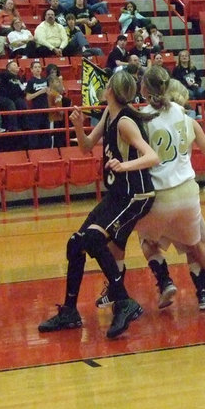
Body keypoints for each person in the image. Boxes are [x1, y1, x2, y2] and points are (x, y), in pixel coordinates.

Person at [37, 71, 159, 339]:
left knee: (93, 239)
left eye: (106, 86)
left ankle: (123, 302)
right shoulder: (108, 115)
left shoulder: (126, 121)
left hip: (136, 195)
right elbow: (85, 147)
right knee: (76, 243)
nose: (103, 89)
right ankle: (69, 311)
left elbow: (153, 157)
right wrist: (79, 125)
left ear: (112, 91)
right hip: (117, 194)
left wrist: (124, 164)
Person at [134, 68, 205, 309]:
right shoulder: (186, 117)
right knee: (197, 245)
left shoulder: (141, 120)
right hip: (187, 192)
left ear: (144, 89)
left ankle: (165, 283)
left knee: (146, 241)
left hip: (159, 195)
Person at [0, 60, 28, 132]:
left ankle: (25, 126)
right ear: (9, 69)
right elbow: (2, 75)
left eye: (17, 65)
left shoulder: (19, 79)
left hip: (14, 98)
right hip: (3, 97)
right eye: (14, 65)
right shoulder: (5, 76)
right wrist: (15, 77)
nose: (16, 66)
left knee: (21, 103)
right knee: (11, 104)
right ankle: (13, 128)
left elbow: (22, 92)